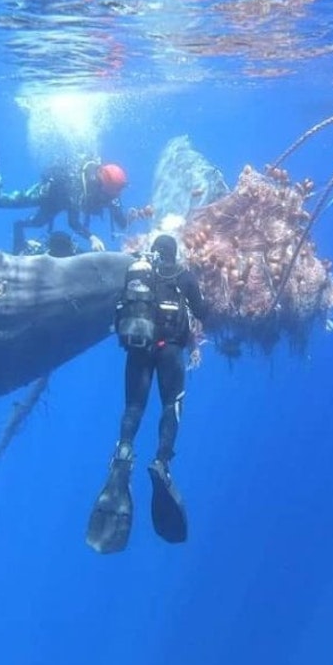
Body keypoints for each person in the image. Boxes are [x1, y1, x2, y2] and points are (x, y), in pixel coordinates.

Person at [86, 233, 206, 554]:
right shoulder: (184, 275)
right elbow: (202, 310)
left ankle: (123, 453)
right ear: (174, 252)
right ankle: (162, 461)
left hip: (138, 348)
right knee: (171, 405)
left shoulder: (137, 271)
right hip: (170, 350)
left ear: (154, 252)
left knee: (134, 407)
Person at [0, 142, 129, 255]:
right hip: (49, 195)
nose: (111, 199)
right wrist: (92, 237)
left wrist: (136, 215)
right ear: (100, 186)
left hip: (63, 202)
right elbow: (73, 222)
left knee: (37, 222)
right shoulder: (76, 184)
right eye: (109, 195)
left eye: (114, 195)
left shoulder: (111, 192)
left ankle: (21, 238)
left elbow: (122, 223)